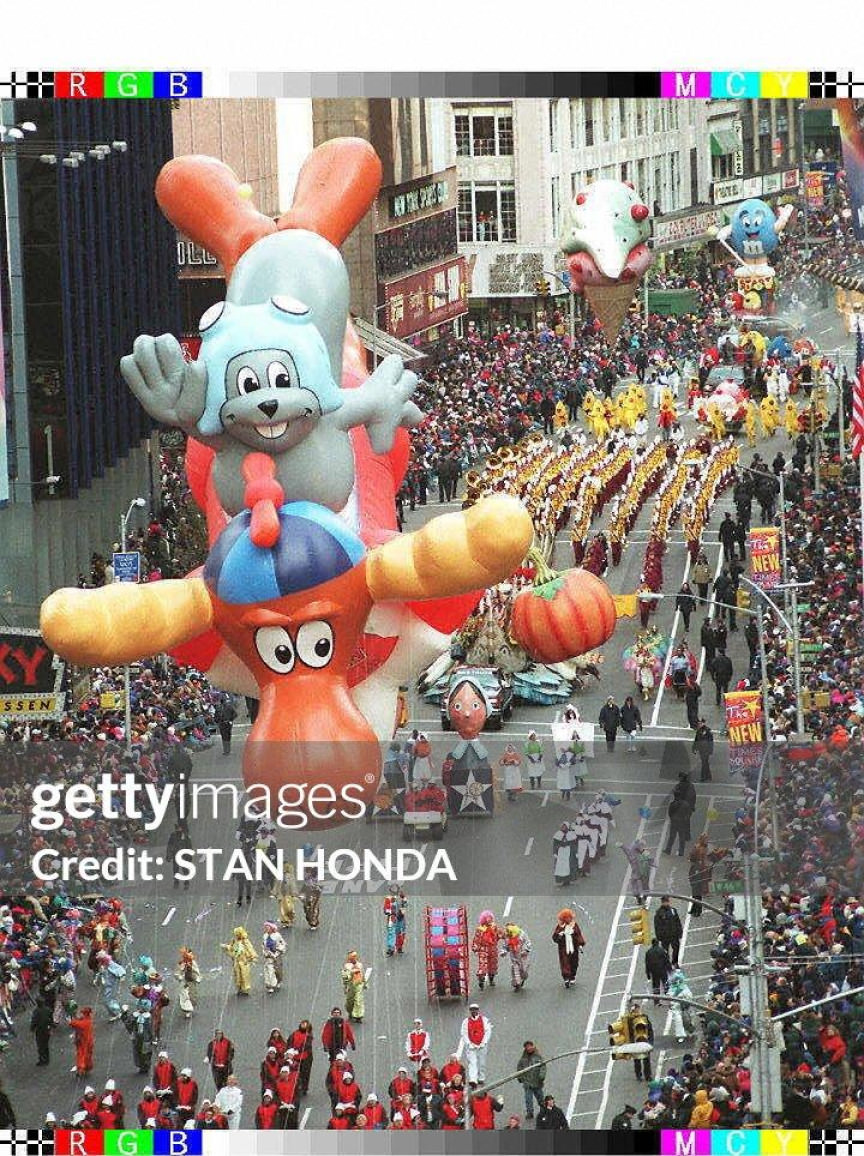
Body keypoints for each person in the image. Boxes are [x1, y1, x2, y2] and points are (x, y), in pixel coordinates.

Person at [459, 1003, 492, 1087]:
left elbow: (488, 1031)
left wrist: (483, 1042)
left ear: (478, 1010)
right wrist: (469, 1043)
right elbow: (464, 1033)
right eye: (472, 1010)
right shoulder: (466, 1021)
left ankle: (481, 1077)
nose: (473, 1011)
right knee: (472, 1063)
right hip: (471, 1046)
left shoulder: (484, 1019)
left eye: (475, 1009)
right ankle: (473, 1079)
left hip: (482, 1045)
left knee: (482, 1063)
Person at [552, 908, 585, 988]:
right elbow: (554, 938)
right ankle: (566, 977)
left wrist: (580, 944)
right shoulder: (560, 927)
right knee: (564, 962)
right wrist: (559, 935)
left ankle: (572, 976)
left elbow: (578, 935)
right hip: (563, 949)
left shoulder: (574, 925)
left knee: (574, 962)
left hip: (573, 947)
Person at [664, 773, 696, 856]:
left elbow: (670, 813)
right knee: (682, 837)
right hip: (682, 821)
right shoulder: (686, 803)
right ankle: (681, 851)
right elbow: (693, 796)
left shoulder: (673, 804)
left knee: (672, 836)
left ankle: (668, 849)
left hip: (675, 821)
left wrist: (673, 819)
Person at [221, 927, 257, 995]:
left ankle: (245, 988)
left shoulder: (245, 941)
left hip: (244, 961)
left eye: (237, 934)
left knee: (244, 974)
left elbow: (250, 949)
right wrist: (226, 947)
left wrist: (253, 957)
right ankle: (239, 987)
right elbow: (231, 948)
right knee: (237, 975)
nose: (236, 936)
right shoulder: (234, 941)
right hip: (237, 961)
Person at [516, 1041, 546, 1120]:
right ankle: (530, 1112)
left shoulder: (538, 1057)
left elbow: (543, 1067)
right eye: (527, 1047)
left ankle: (543, 1110)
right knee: (528, 1099)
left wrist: (541, 1076)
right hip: (527, 1083)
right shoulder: (523, 1058)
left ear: (533, 1046)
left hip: (537, 1082)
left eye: (530, 1046)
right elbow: (519, 1068)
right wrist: (520, 1077)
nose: (528, 1048)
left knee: (540, 1098)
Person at [653, 895, 683, 967]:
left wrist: (680, 931)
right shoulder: (659, 913)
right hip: (665, 937)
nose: (666, 903)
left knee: (676, 948)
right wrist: (659, 936)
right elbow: (657, 926)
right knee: (665, 951)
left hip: (674, 935)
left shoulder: (673, 910)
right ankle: (667, 964)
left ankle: (674, 962)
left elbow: (677, 921)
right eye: (665, 902)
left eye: (667, 902)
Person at [502, 922, 532, 990]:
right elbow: (505, 946)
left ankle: (522, 978)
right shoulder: (507, 937)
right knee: (515, 968)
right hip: (514, 956)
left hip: (523, 956)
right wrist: (504, 952)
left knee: (523, 970)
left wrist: (526, 950)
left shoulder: (522, 934)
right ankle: (516, 983)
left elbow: (528, 942)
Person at [69, 1005, 94, 1078]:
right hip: (90, 1041)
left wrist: (75, 1018)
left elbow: (72, 1023)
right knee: (88, 1055)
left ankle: (81, 1070)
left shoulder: (83, 1023)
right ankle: (87, 1067)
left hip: (83, 1042)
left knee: (81, 1055)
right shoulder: (88, 1020)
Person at [645, 938, 672, 1004]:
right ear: (657, 943)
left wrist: (648, 974)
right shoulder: (662, 950)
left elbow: (647, 964)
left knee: (656, 986)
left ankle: (656, 1000)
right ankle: (668, 996)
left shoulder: (648, 952)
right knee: (665, 983)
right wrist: (669, 969)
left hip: (654, 972)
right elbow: (666, 960)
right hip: (662, 970)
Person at [262, 922, 286, 994]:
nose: (266, 929)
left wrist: (279, 949)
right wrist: (265, 952)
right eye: (265, 927)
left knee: (278, 970)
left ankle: (278, 980)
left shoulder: (277, 936)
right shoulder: (265, 936)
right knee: (269, 970)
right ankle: (270, 985)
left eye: (267, 927)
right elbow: (263, 945)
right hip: (269, 957)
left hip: (276, 956)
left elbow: (282, 943)